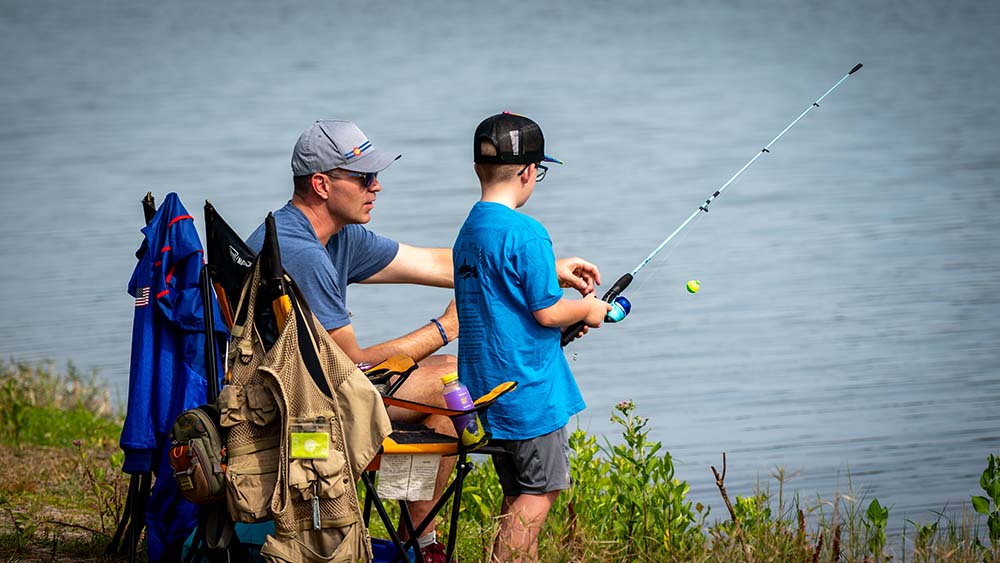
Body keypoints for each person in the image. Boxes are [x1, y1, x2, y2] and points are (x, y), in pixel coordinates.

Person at [247, 119, 600, 563]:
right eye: (363, 178)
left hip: (306, 386)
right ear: (321, 184)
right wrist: (444, 328)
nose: (376, 186)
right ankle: (421, 542)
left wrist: (540, 272)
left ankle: (416, 541)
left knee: (443, 393)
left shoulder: (335, 235)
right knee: (451, 384)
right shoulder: (301, 254)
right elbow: (348, 364)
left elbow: (435, 264)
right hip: (300, 408)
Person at [453, 112, 611, 562]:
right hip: (528, 394)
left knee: (518, 492)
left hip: (487, 390)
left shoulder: (471, 230)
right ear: (527, 173)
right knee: (540, 493)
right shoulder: (528, 232)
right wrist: (588, 309)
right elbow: (548, 312)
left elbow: (504, 289)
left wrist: (553, 273)